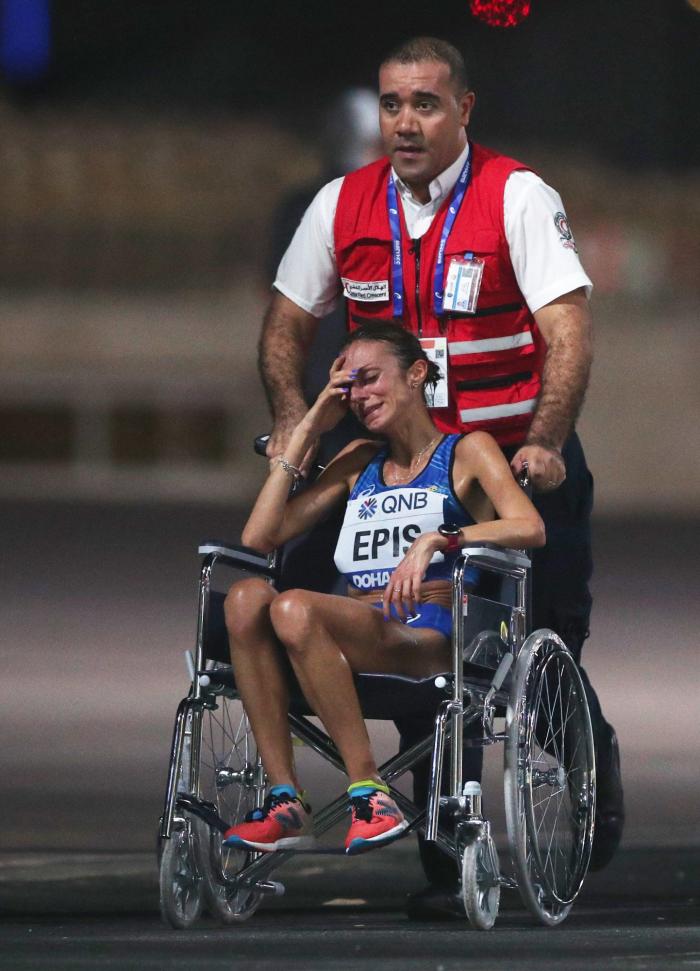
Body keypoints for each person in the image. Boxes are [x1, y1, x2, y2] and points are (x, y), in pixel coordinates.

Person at [257, 36, 624, 915]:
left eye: (425, 103)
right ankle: (431, 827)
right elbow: (283, 327)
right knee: (368, 623)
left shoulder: (517, 197)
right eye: (392, 105)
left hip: (507, 461)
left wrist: (544, 438)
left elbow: (567, 333)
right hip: (399, 469)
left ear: (464, 110)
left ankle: (583, 756)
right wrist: (285, 418)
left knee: (542, 639)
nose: (406, 122)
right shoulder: (341, 205)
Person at [223, 324, 545, 855]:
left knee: (295, 606)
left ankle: (370, 789)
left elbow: (529, 526)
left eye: (370, 379)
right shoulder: (358, 460)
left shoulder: (467, 450)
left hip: (427, 637)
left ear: (416, 373)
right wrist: (309, 426)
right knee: (245, 598)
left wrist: (440, 539)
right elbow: (259, 536)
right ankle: (284, 798)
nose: (360, 397)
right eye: (349, 389)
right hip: (352, 634)